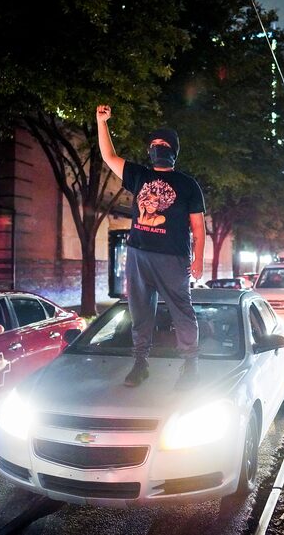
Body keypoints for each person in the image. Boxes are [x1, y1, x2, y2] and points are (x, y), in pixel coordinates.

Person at [96, 104, 206, 390]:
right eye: (154, 143)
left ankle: (190, 365)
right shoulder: (139, 175)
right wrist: (101, 122)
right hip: (138, 255)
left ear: (173, 150)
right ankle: (140, 363)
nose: (158, 146)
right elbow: (108, 156)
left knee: (183, 311)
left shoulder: (187, 184)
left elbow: (198, 227)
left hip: (174, 258)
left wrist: (198, 260)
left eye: (164, 143)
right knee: (140, 312)